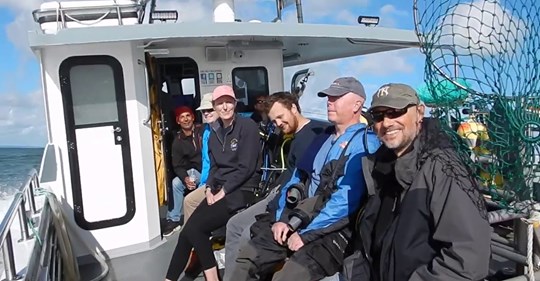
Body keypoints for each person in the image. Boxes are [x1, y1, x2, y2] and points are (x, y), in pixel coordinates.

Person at [232, 77, 379, 281]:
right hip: (300, 218)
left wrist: (305, 234)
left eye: (337, 98)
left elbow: (345, 203)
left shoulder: (365, 144)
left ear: (357, 104)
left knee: (285, 278)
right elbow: (295, 179)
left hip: (334, 231)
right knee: (247, 259)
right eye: (328, 97)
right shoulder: (322, 140)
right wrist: (283, 220)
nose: (330, 102)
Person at [342, 83, 490, 281]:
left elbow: (467, 260)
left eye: (396, 112)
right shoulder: (381, 166)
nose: (386, 123)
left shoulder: (445, 169)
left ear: (419, 113)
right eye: (378, 115)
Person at [223, 92, 327, 281]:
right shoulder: (295, 137)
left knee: (247, 233)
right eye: (274, 120)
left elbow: (309, 181)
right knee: (234, 225)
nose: (278, 123)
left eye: (280, 117)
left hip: (290, 199)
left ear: (294, 108)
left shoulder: (318, 133)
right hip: (278, 191)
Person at [165, 85, 262, 281]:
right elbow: (215, 167)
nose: (224, 107)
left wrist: (222, 192)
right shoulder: (215, 134)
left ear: (235, 103)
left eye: (228, 102)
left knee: (195, 229)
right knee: (187, 232)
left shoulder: (247, 126)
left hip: (243, 189)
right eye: (220, 103)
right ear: (215, 106)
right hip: (221, 189)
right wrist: (209, 187)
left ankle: (212, 278)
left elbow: (246, 168)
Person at [162, 106, 203, 236]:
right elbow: (178, 166)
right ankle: (173, 219)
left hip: (207, 169)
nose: (186, 119)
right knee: (176, 184)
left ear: (193, 117)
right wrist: (185, 178)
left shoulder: (202, 131)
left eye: (188, 116)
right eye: (182, 117)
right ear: (178, 121)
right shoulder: (177, 141)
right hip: (193, 171)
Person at [183, 93, 219, 222]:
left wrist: (209, 186)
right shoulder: (207, 131)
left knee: (189, 201)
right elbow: (206, 162)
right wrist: (204, 184)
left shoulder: (223, 131)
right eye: (204, 111)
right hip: (209, 180)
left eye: (210, 110)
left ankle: (190, 236)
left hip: (220, 182)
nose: (206, 113)